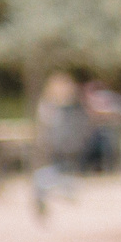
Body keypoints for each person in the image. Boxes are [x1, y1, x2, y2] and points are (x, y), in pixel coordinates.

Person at [32, 72, 90, 216]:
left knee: (62, 176)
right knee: (56, 175)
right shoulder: (49, 108)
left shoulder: (75, 109)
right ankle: (44, 191)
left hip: (69, 151)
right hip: (58, 150)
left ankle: (52, 190)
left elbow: (82, 130)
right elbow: (45, 132)